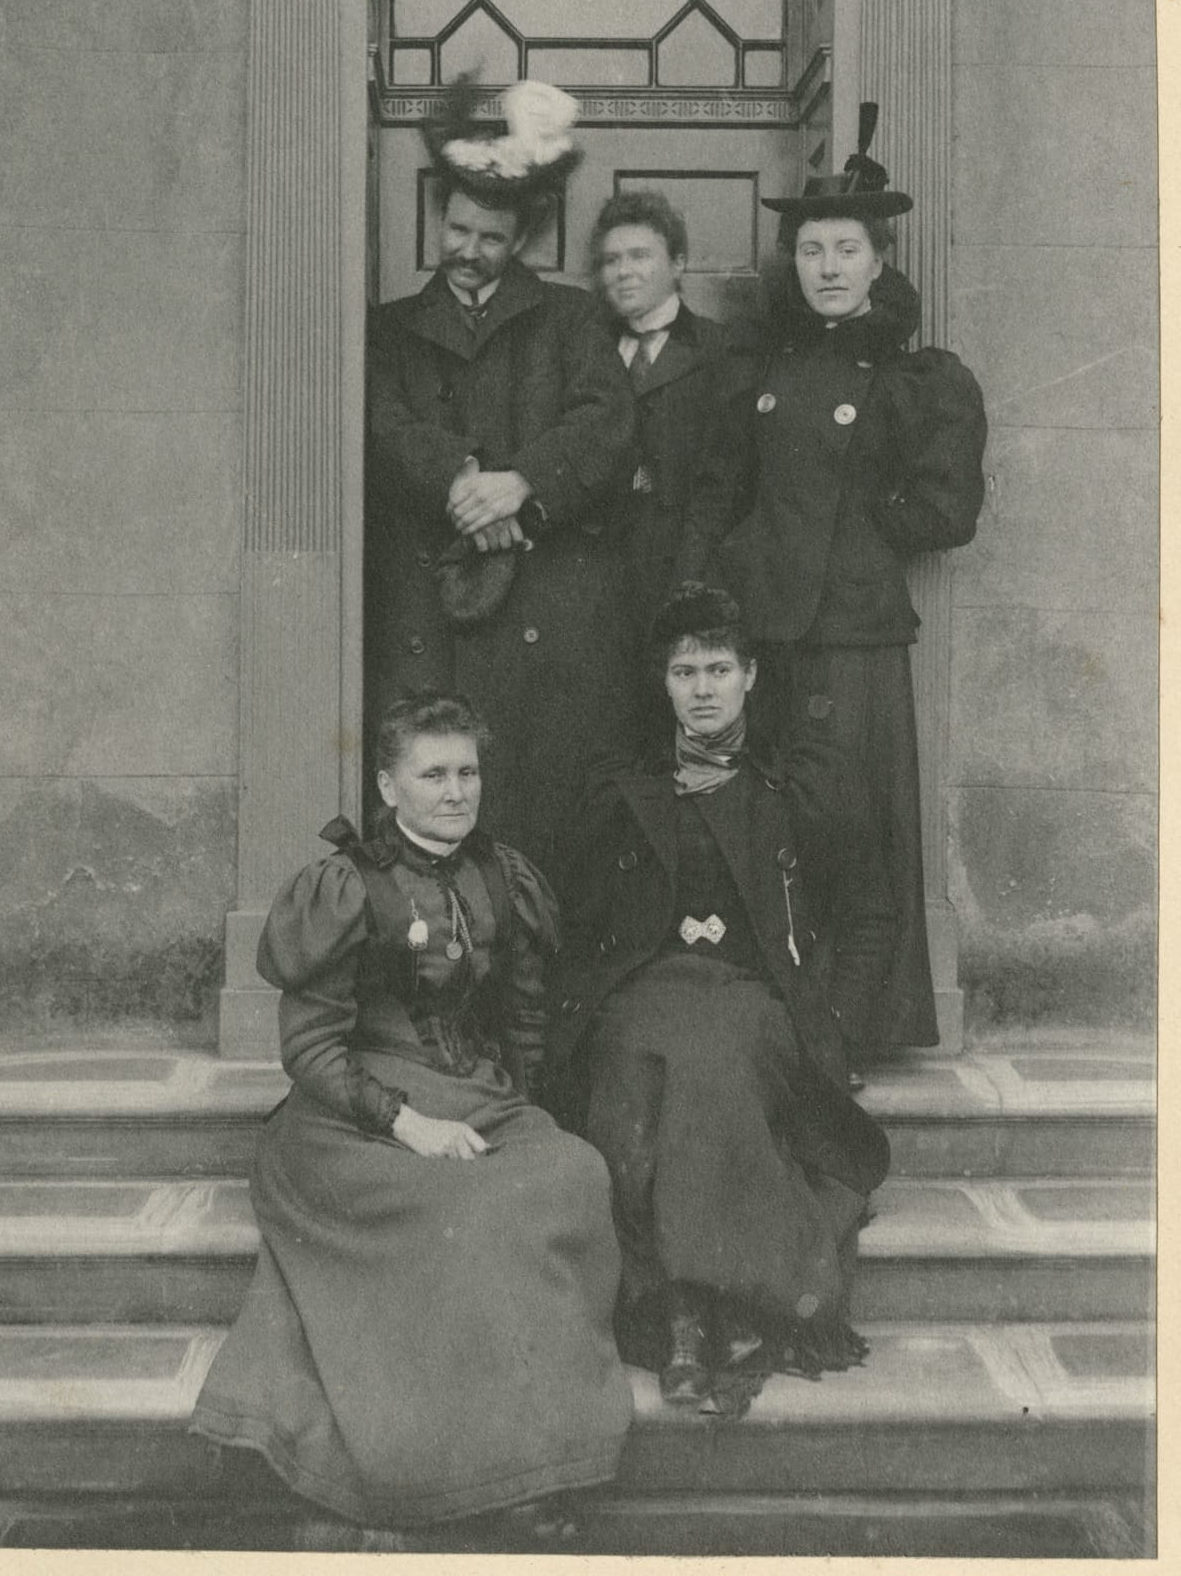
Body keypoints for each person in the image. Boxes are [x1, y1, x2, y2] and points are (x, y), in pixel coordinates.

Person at [191, 690, 633, 1536]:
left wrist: (519, 1110)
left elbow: (527, 1018)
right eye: (433, 774)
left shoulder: (501, 875)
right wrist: (407, 1125)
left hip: (475, 1097)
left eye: (467, 771)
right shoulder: (344, 885)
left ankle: (537, 1453)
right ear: (389, 786)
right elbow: (312, 1052)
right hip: (346, 1121)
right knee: (456, 1212)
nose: (456, 791)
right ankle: (440, 1467)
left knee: (570, 1174)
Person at [684, 108, 987, 1065]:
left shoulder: (915, 378)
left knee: (855, 828)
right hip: (766, 636)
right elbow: (722, 492)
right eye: (811, 249)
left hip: (854, 636)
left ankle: (859, 1024)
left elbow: (945, 514)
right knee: (769, 823)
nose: (826, 267)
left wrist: (865, 511)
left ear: (878, 261)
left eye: (846, 249)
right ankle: (777, 1017)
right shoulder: (758, 370)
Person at [546, 585, 891, 1419]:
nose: (702, 689)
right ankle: (697, 1311)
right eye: (683, 671)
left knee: (711, 1057)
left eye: (719, 669)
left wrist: (836, 1028)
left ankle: (691, 1314)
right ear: (661, 684)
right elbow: (572, 919)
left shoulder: (798, 786)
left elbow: (872, 916)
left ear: (751, 676)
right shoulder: (625, 791)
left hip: (755, 1001)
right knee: (637, 1063)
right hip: (643, 997)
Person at [366, 77, 637, 886]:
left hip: (547, 610)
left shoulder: (573, 320)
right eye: (456, 228)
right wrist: (460, 480)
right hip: (431, 606)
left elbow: (607, 423)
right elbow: (384, 427)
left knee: (539, 810)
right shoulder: (391, 331)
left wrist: (521, 484)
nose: (467, 248)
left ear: (519, 240)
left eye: (489, 236)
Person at [590, 189, 753, 637]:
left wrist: (689, 581)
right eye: (611, 260)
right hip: (595, 583)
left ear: (678, 263)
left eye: (640, 256)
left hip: (686, 574)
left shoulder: (721, 351)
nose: (623, 272)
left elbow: (725, 484)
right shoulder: (587, 348)